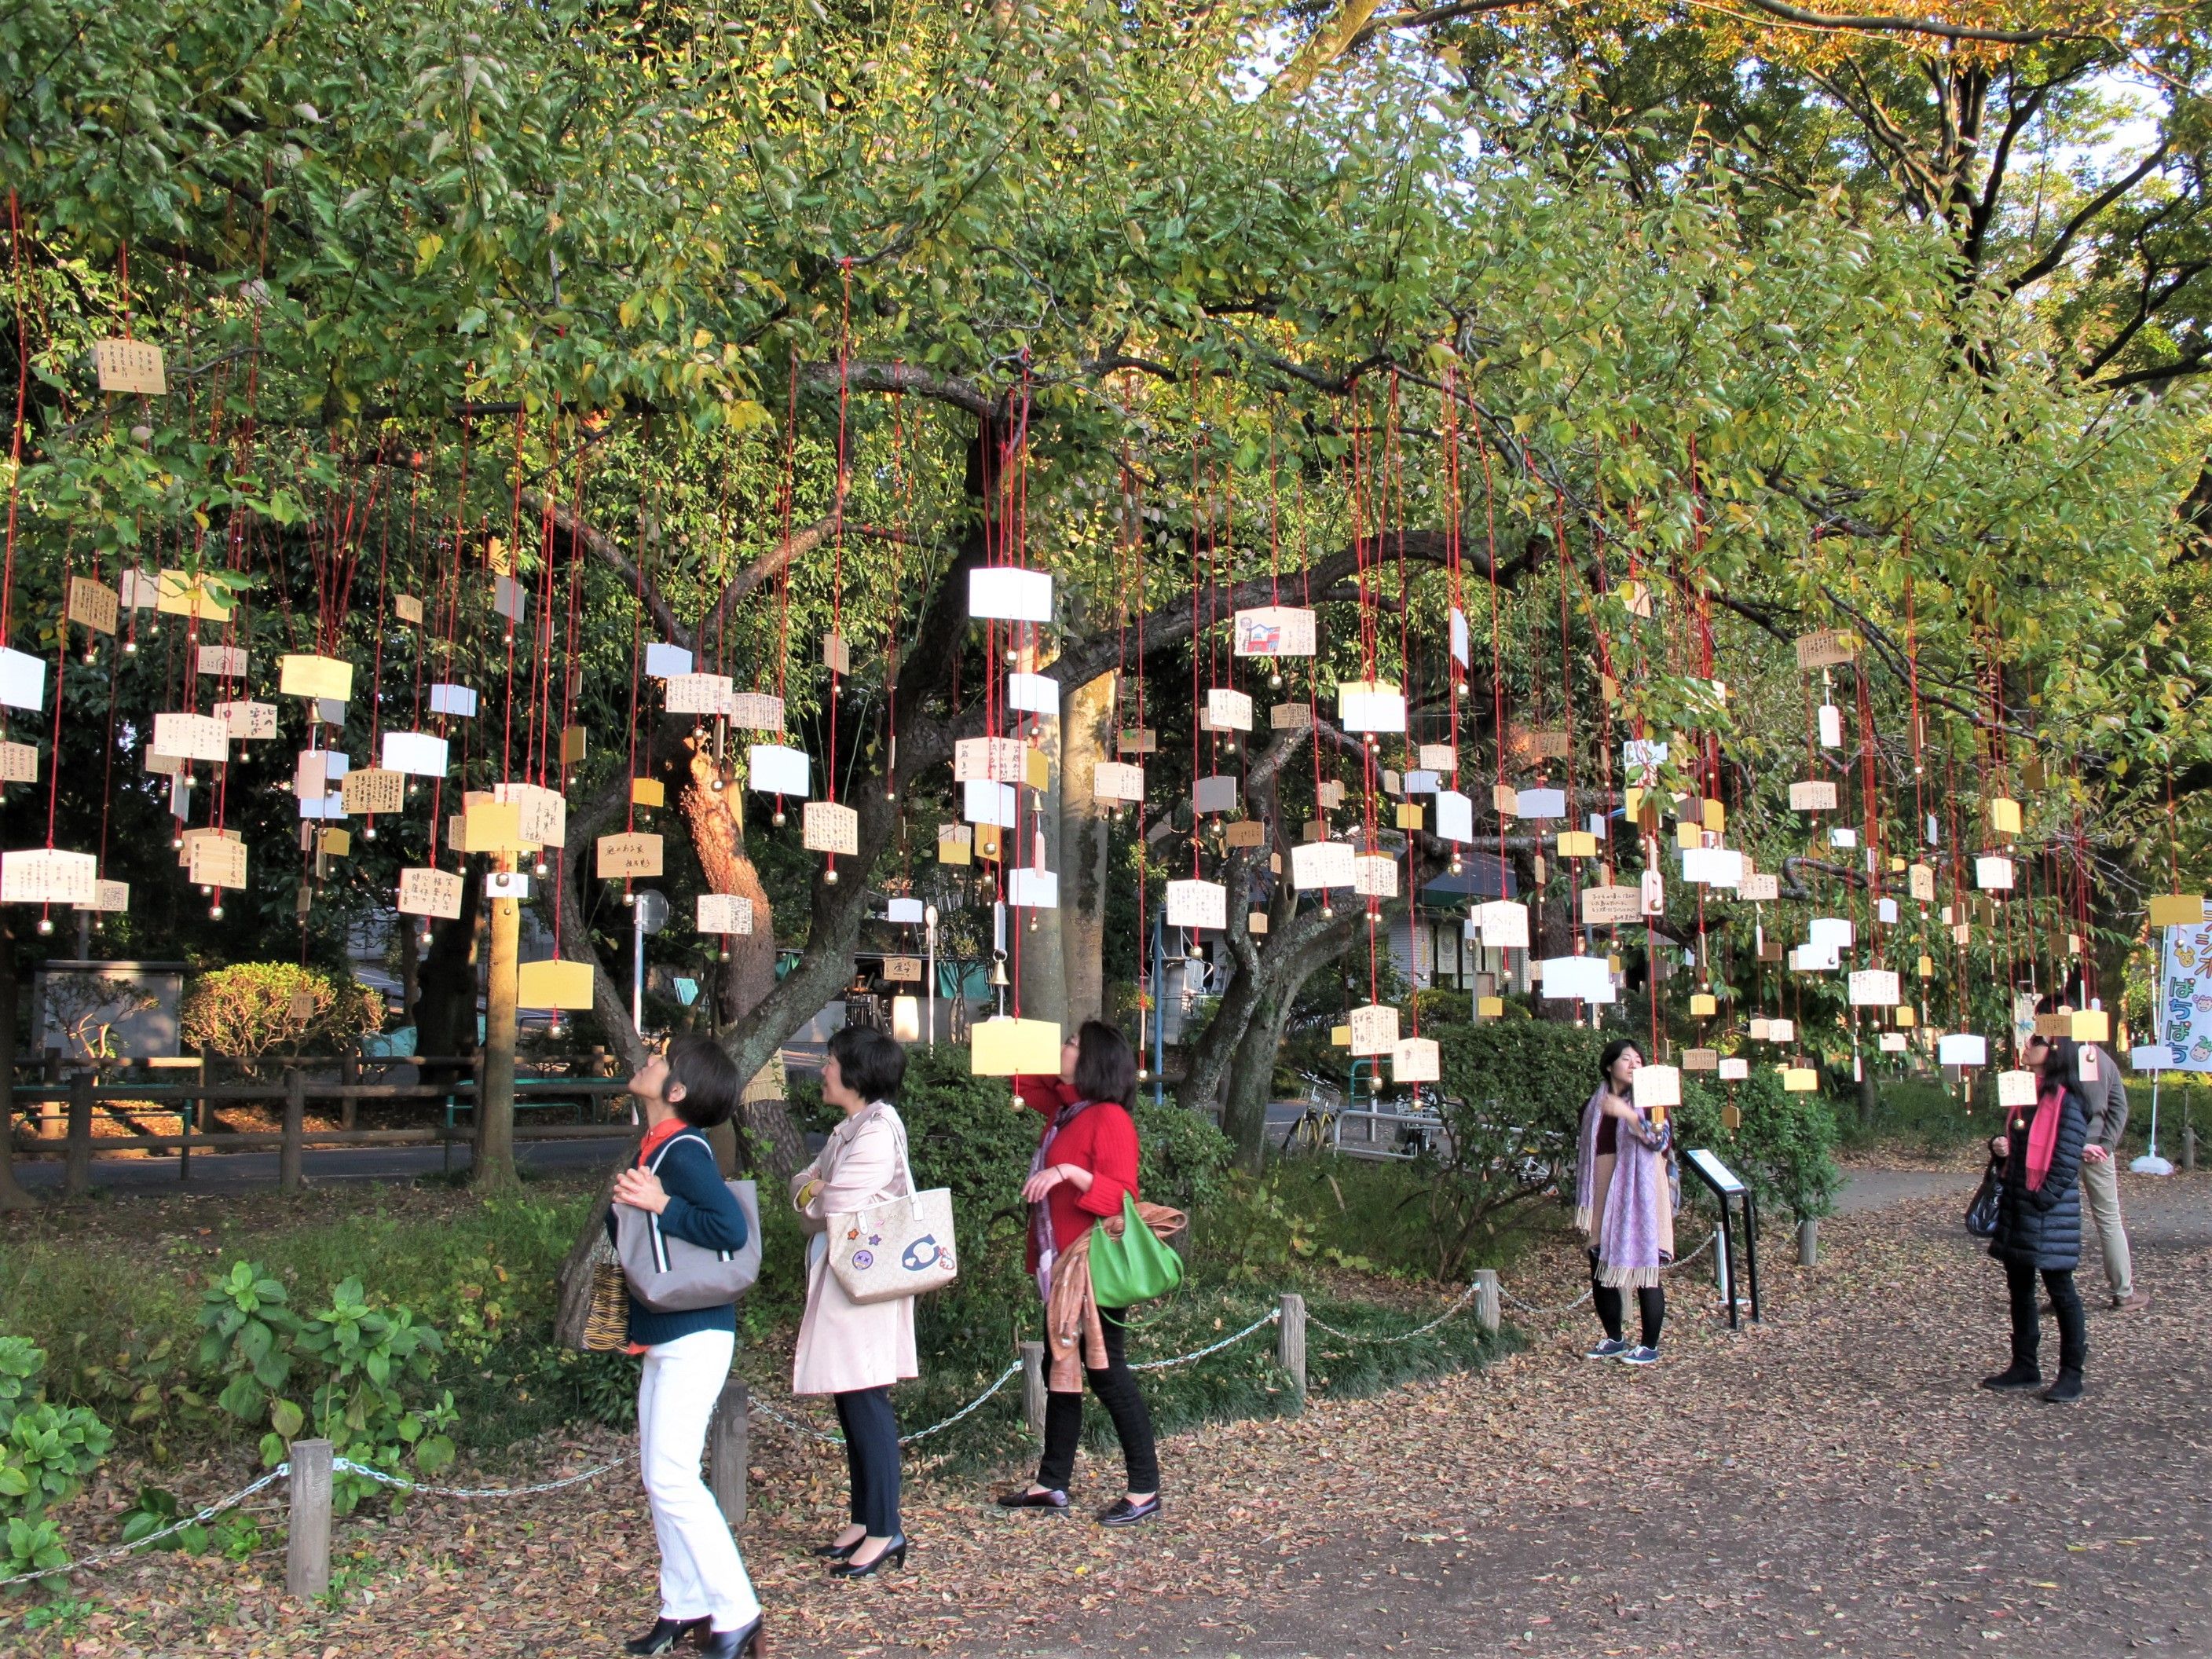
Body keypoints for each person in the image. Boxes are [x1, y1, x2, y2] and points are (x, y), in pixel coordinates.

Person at [610, 1036, 765, 1659]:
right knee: (661, 1477)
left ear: (676, 1091)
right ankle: (683, 1603)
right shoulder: (657, 1143)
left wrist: (662, 1203)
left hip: (696, 1333)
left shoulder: (684, 1149)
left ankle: (737, 1608)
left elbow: (729, 1227)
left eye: (661, 1062)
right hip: (669, 1330)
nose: (648, 1061)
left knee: (671, 1477)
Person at [998, 1021, 1162, 1526]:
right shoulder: (1066, 1111)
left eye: (1072, 1044)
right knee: (1061, 1371)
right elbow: (1020, 1076)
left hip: (1093, 1269)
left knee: (1107, 1372)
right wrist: (1014, 1026)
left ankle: (1145, 1487)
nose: (1062, 1048)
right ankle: (1052, 1482)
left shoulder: (1109, 1119)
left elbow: (1124, 1199)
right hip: (1062, 1270)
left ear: (1093, 1060)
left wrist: (1068, 1173)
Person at [789, 1025, 918, 1577]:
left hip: (866, 1283)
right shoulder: (851, 1128)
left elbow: (832, 1201)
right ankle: (865, 1519)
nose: (823, 1069)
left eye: (831, 1060)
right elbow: (805, 1187)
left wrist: (816, 1189)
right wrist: (815, 1189)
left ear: (856, 1072)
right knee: (850, 1396)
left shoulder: (878, 1131)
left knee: (865, 1396)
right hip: (848, 1278)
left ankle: (886, 1527)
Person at [1982, 1034, 2090, 1404]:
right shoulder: (2025, 1094)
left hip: (2048, 1210)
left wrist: (2041, 1199)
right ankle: (2025, 1365)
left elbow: (2065, 1161)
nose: (2026, 1048)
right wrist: (2000, 1149)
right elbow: (2018, 1146)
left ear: (2055, 1051)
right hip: (2018, 1204)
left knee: (2061, 1291)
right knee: (2020, 1287)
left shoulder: (2068, 1101)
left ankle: (2071, 1374)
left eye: (2035, 1043)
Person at [2038, 995, 2147, 1311]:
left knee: (2057, 1220)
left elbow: (2046, 1110)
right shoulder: (2100, 1057)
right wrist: (2105, 1145)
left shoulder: (2053, 1060)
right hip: (2097, 1149)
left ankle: (2061, 1295)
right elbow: (2119, 1107)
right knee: (2108, 1219)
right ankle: (2123, 1291)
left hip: (2059, 1149)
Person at [1573, 1038, 1675, 1366]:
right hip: (1602, 1187)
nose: (1634, 1065)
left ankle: (1649, 1345)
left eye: (1638, 1060)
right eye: (1626, 1059)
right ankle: (1614, 1338)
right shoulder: (1595, 1103)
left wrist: (1629, 1114)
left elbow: (1659, 1140)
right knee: (1599, 1262)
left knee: (1645, 1265)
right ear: (1609, 1065)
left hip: (1639, 1191)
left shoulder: (1651, 1098)